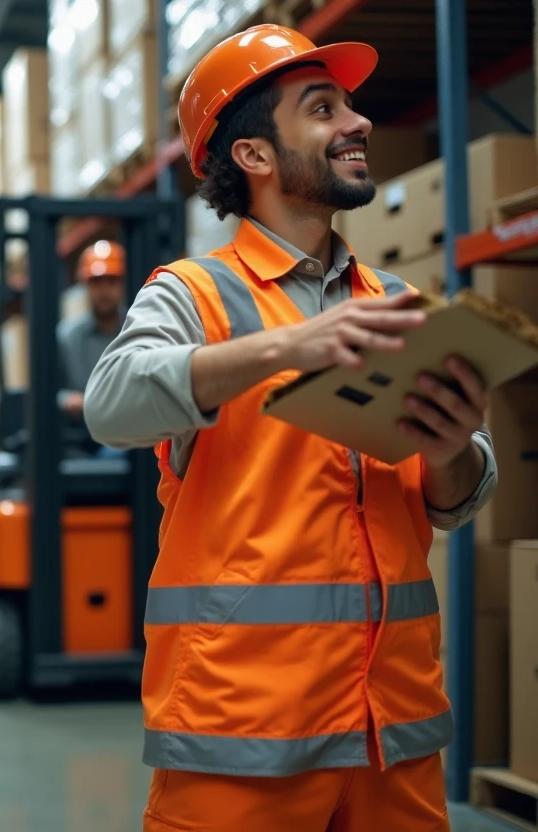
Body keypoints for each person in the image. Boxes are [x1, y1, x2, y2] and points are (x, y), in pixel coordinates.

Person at [83, 25, 496, 832]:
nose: (359, 123)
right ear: (256, 157)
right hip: (245, 736)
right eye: (322, 108)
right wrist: (283, 346)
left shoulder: (388, 298)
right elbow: (112, 402)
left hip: (394, 735)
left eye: (350, 105)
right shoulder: (193, 294)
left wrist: (450, 448)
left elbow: (453, 499)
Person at [58, 240, 127, 457]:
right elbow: (51, 392)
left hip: (132, 430)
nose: (104, 291)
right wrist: (68, 400)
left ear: (122, 285)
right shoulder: (67, 337)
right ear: (84, 286)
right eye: (96, 282)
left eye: (111, 281)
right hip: (84, 437)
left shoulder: (139, 328)